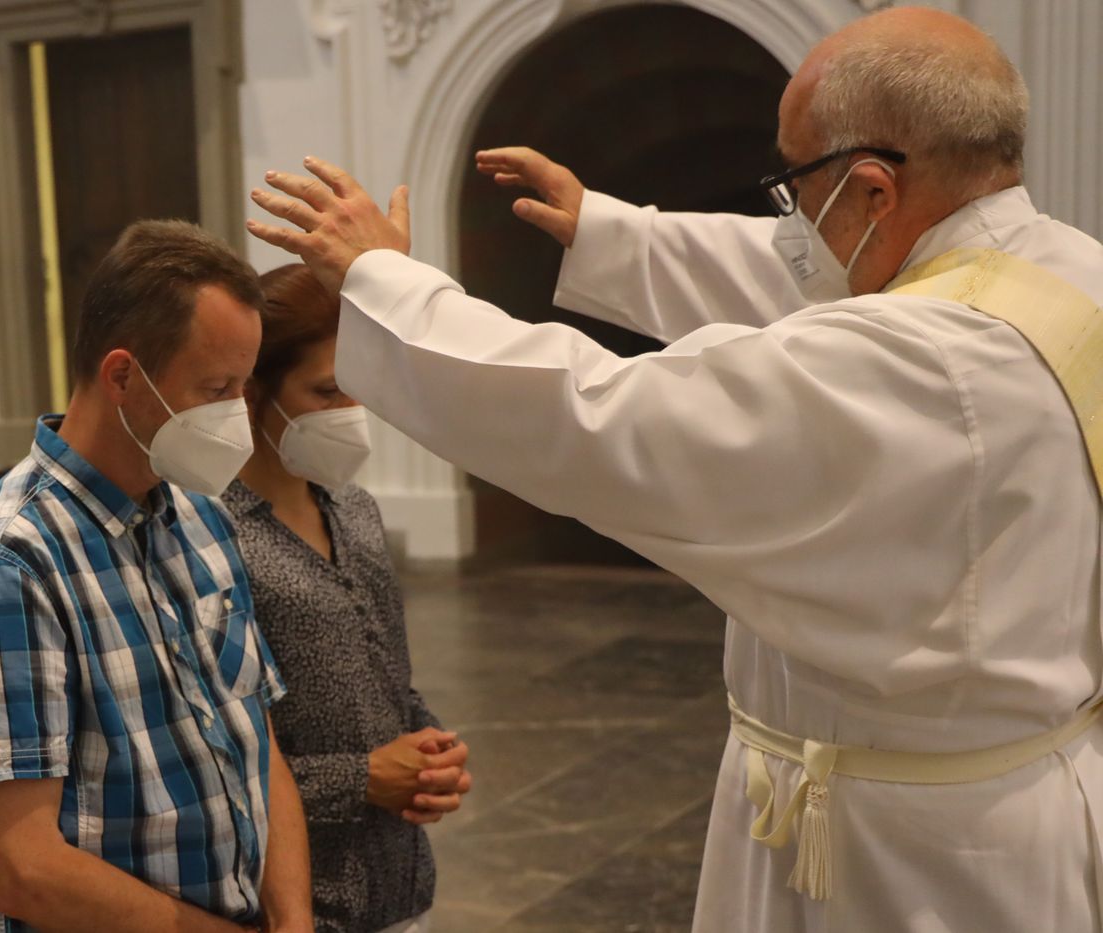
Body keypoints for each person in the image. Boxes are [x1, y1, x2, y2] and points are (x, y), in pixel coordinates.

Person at [245, 7, 1103, 933]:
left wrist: (385, 282)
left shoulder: (915, 363)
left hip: (901, 856)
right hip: (1004, 795)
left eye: (790, 181)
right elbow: (818, 279)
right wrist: (613, 235)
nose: (787, 220)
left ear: (874, 191)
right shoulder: (1061, 271)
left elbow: (602, 418)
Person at [0, 220, 314, 933]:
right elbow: (25, 868)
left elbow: (256, 740)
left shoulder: (200, 515)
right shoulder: (4, 562)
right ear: (123, 375)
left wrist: (293, 920)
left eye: (242, 387)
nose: (235, 418)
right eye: (215, 386)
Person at [220, 262, 470, 933]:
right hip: (299, 904)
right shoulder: (214, 537)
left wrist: (431, 750)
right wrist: (362, 776)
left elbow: (391, 678)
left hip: (398, 884)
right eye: (327, 391)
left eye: (359, 389)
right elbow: (215, 765)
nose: (350, 413)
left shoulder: (354, 509)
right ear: (252, 397)